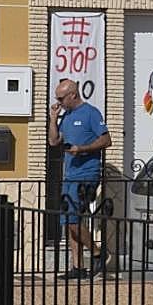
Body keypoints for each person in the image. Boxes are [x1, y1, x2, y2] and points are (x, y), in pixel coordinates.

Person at [48, 78, 112, 279]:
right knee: (68, 220)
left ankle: (97, 253)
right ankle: (78, 267)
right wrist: (53, 118)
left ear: (73, 95)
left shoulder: (91, 113)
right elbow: (53, 141)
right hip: (70, 175)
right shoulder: (66, 116)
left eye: (60, 97)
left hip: (86, 174)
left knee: (74, 219)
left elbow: (106, 140)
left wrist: (81, 149)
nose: (58, 101)